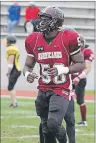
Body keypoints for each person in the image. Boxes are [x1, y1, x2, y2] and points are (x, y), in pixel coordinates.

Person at [23, 6, 85, 143]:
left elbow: (81, 64)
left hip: (61, 88)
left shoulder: (67, 37)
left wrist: (64, 69)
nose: (41, 21)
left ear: (56, 21)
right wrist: (27, 73)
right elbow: (27, 65)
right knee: (46, 128)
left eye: (46, 19)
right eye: (42, 18)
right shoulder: (33, 39)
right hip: (43, 88)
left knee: (53, 124)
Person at [72, 35, 94, 126]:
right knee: (67, 98)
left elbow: (88, 68)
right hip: (71, 78)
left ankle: (84, 121)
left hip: (80, 79)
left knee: (80, 100)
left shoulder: (86, 51)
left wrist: (79, 77)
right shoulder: (72, 51)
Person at [4, 35, 21, 107]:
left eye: (6, 40)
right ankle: (13, 102)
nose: (5, 42)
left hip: (15, 70)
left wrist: (8, 72)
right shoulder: (13, 48)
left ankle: (14, 103)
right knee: (11, 87)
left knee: (10, 87)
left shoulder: (11, 49)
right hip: (16, 70)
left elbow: (11, 62)